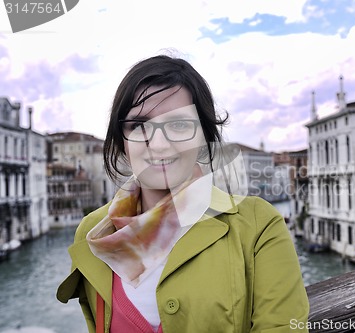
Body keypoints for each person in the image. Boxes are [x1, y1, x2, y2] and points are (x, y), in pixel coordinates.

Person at [57, 54, 309, 333]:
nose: (160, 144)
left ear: (203, 135)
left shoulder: (258, 225)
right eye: (139, 126)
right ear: (122, 141)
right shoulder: (93, 231)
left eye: (179, 125)